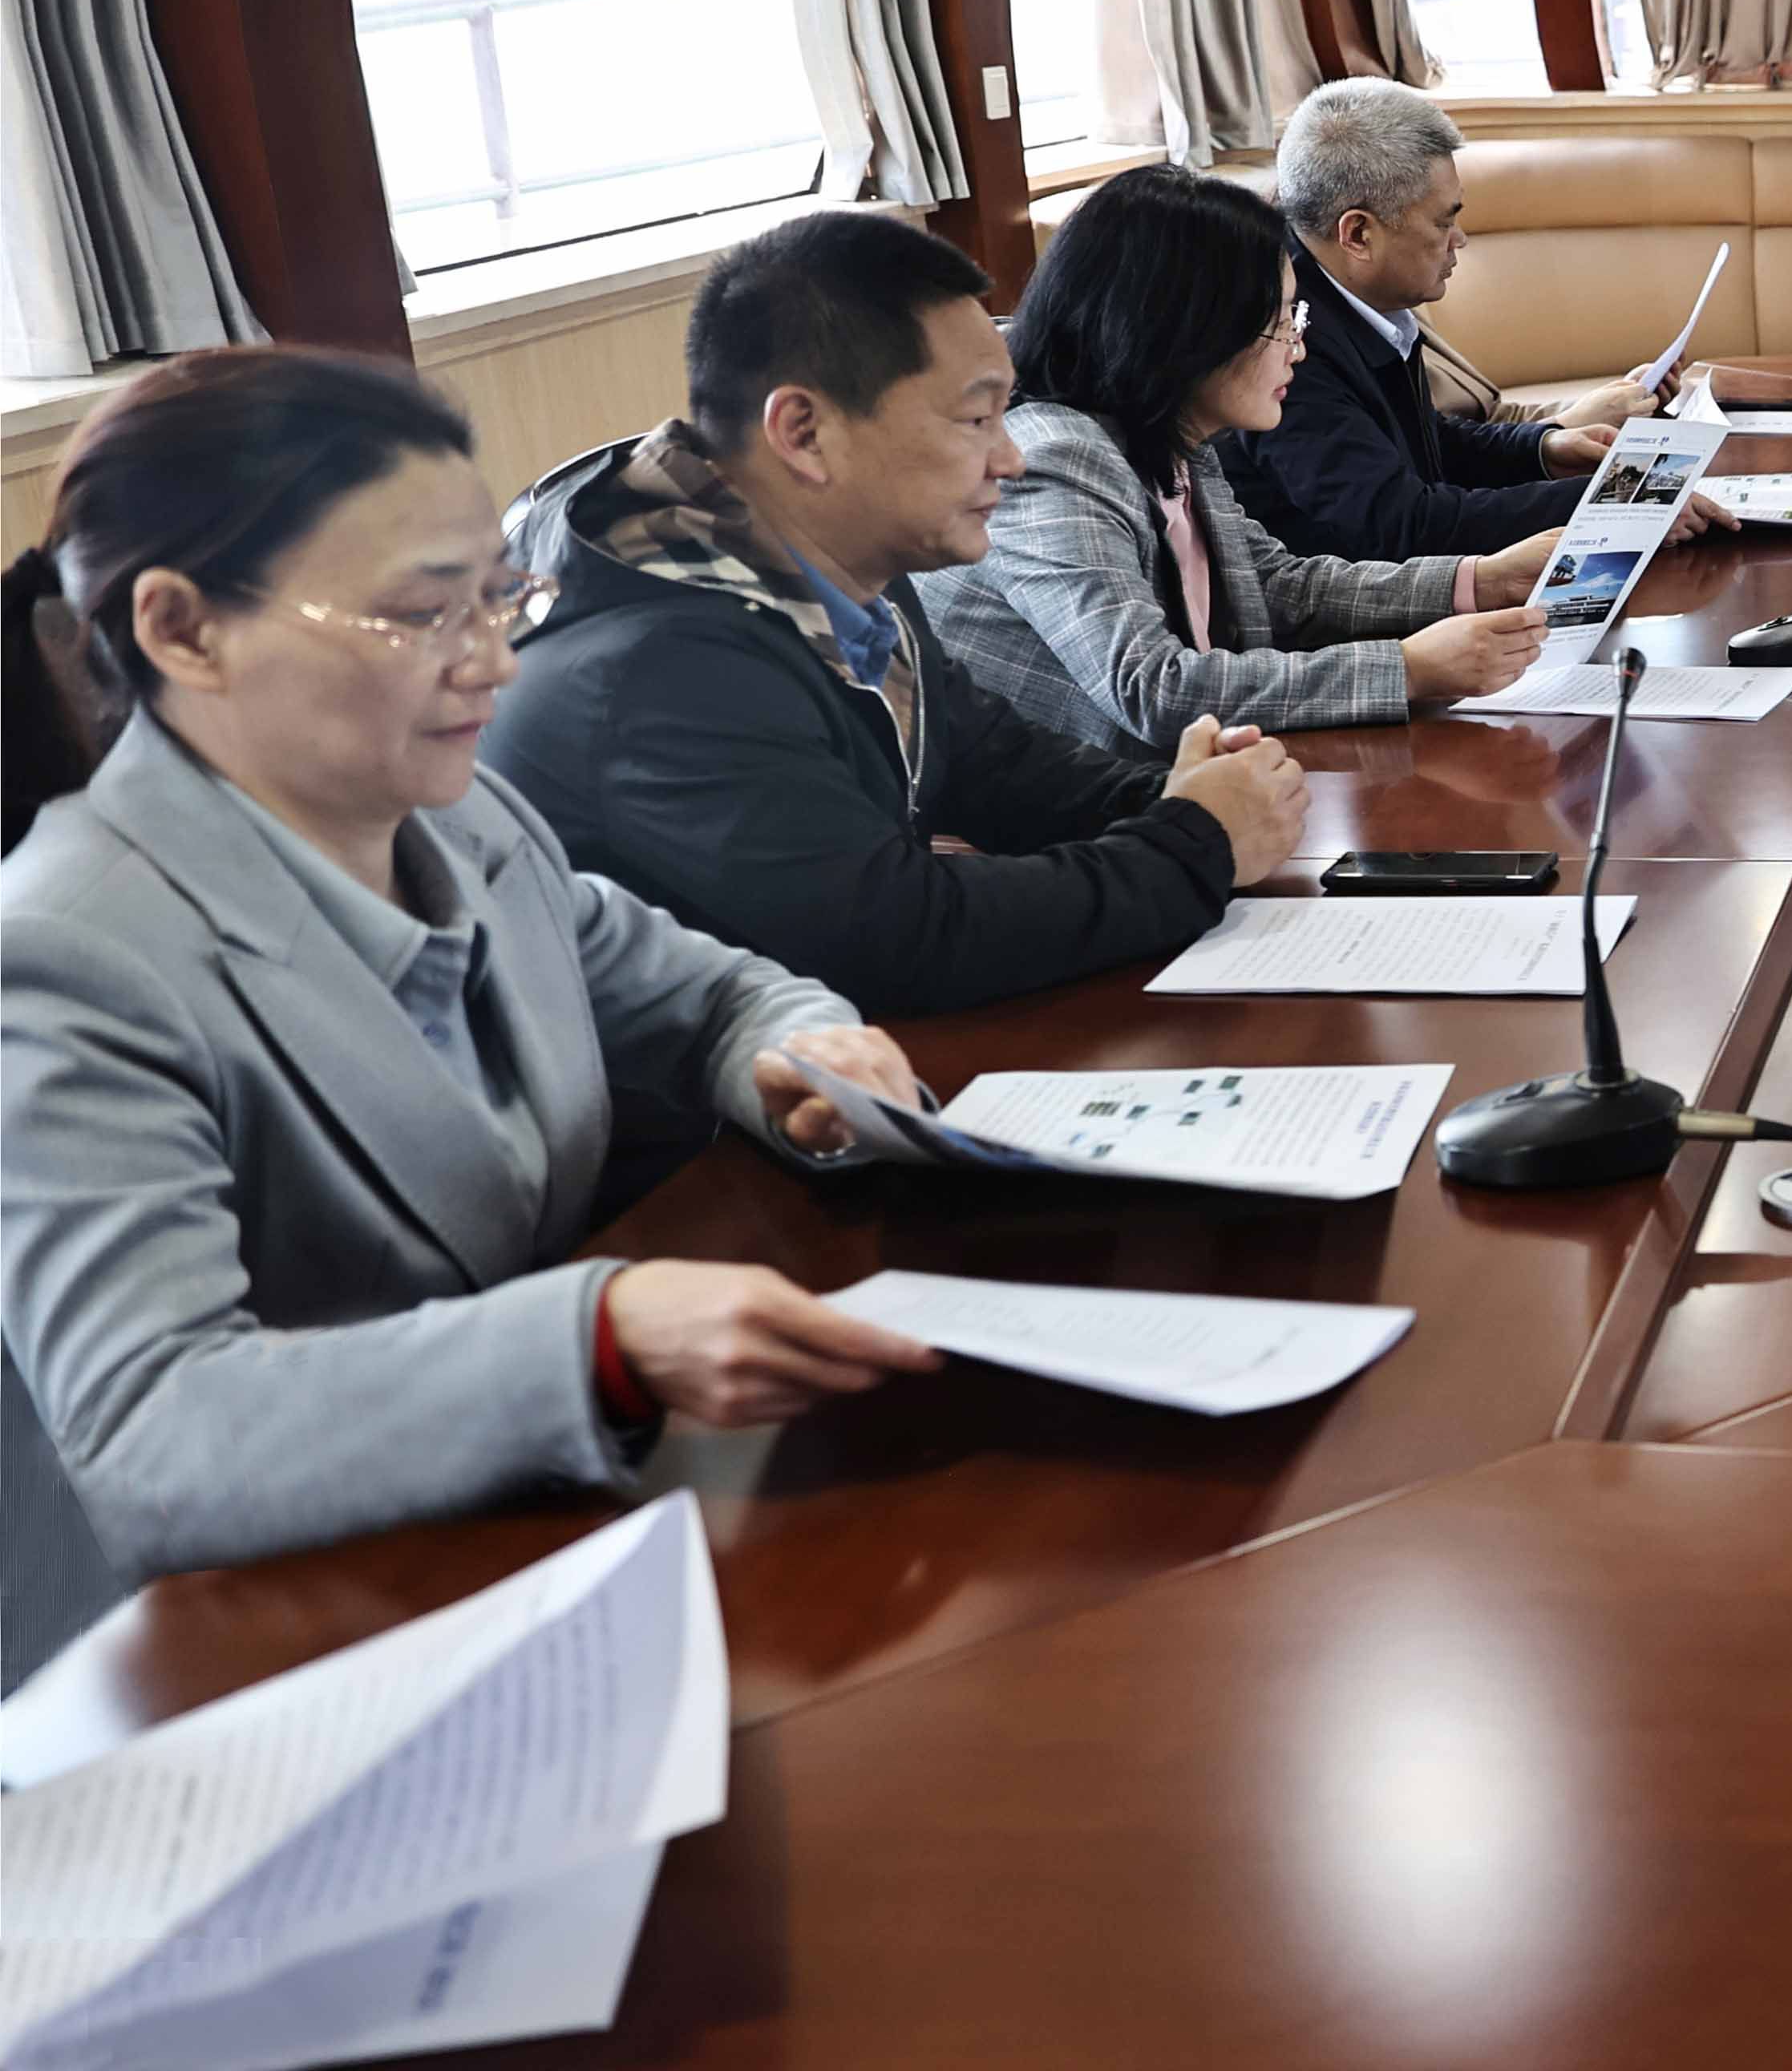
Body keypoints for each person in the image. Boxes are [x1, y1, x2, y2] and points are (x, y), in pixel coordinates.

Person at [1, 352, 945, 1690]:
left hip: (498, 1553)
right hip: (235, 1665)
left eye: (501, 595)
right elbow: (155, 1434)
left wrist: (794, 1049)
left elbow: (709, 991)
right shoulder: (64, 953)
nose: (494, 659)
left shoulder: (461, 818)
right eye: (421, 612)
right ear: (183, 629)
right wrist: (593, 1338)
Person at [487, 212, 1310, 1017]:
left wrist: (1189, 793)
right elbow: (898, 936)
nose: (1010, 457)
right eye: (976, 419)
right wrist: (1194, 842)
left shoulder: (833, 562)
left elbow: (997, 765)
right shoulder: (665, 669)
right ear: (805, 433)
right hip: (683, 1101)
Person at [920, 168, 1555, 754]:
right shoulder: (1055, 462)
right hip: (1072, 815)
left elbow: (1277, 585)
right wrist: (1408, 669)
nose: (1297, 349)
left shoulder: (1172, 436)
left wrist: (1482, 580)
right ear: (1188, 329)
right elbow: (1154, 687)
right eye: (1280, 322)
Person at [1220, 79, 1665, 560]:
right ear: (1359, 234)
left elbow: (1422, 441)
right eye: (1443, 222)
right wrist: (1620, 499)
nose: (1460, 239)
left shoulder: (1340, 288)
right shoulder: (1284, 343)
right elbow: (1405, 526)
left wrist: (1542, 448)